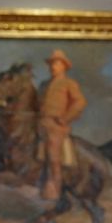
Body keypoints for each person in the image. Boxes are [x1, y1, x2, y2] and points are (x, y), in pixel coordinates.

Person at [37, 49, 87, 200]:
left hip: (56, 125)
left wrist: (65, 118)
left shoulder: (69, 83)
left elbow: (80, 102)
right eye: (51, 64)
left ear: (64, 66)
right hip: (40, 123)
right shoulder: (44, 85)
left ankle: (55, 188)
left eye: (57, 64)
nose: (53, 67)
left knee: (53, 152)